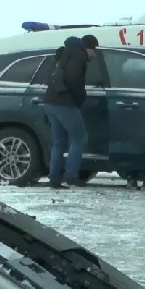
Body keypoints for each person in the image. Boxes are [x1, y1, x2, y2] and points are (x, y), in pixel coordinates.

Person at [44, 34, 98, 188]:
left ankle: (54, 177)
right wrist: (80, 97)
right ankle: (71, 175)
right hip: (65, 103)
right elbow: (75, 79)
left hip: (50, 101)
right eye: (94, 50)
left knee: (58, 142)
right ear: (87, 47)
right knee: (80, 138)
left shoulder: (62, 52)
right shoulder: (78, 56)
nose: (94, 54)